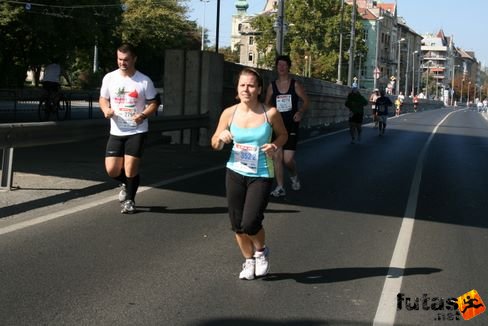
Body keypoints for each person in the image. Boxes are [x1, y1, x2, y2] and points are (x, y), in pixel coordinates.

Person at [211, 67, 288, 280]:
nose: (246, 89)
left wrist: (274, 146)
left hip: (261, 173)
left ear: (259, 89)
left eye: (251, 85)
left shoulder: (269, 113)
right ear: (237, 89)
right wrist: (221, 138)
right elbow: (214, 143)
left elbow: (283, 135)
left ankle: (261, 251)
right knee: (237, 224)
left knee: (250, 222)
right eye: (242, 85)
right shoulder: (229, 113)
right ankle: (248, 260)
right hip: (235, 171)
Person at [99, 43, 160, 214]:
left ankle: (130, 201)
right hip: (116, 130)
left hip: (137, 130)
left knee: (131, 168)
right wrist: (106, 109)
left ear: (134, 59)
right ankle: (126, 182)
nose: (122, 63)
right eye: (119, 59)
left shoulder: (144, 80)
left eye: (126, 60)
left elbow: (154, 103)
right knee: (112, 170)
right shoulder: (109, 78)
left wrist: (143, 115)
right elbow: (103, 98)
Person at [265, 55, 309, 198]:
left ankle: (294, 175)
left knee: (287, 160)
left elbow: (306, 101)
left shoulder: (294, 84)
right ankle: (280, 187)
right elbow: (267, 104)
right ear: (276, 67)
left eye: (284, 65)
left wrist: (300, 112)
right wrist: (270, 115)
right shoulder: (272, 86)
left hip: (291, 125)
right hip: (277, 126)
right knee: (277, 157)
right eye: (279, 65)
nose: (282, 68)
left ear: (288, 67)